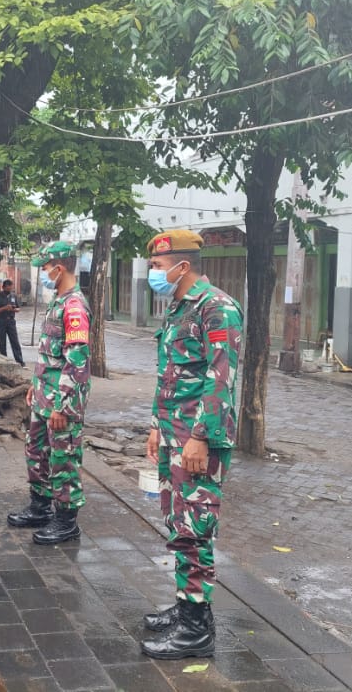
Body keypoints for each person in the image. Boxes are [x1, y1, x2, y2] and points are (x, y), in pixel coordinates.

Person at [140, 229, 243, 660]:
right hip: (173, 434)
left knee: (196, 528)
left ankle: (197, 631)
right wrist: (155, 426)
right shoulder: (179, 308)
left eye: (158, 267)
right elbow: (171, 375)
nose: (153, 273)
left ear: (182, 266)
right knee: (179, 524)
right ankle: (187, 607)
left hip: (197, 439)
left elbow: (221, 378)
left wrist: (200, 436)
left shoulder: (216, 308)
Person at [7, 241, 91, 544]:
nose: (43, 273)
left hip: (61, 402)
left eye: (45, 267)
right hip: (44, 395)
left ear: (60, 267)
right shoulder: (58, 301)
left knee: (63, 459)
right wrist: (35, 384)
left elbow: (77, 361)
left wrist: (63, 407)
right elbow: (50, 355)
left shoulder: (74, 306)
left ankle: (66, 520)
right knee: (37, 452)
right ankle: (40, 507)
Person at [0, 279, 25, 366]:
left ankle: (20, 361)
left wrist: (13, 309)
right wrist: (5, 308)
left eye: (11, 287)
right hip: (1, 321)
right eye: (8, 287)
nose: (10, 289)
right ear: (3, 287)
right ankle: (4, 361)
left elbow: (18, 308)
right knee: (2, 342)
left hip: (11, 321)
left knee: (15, 342)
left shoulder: (13, 296)